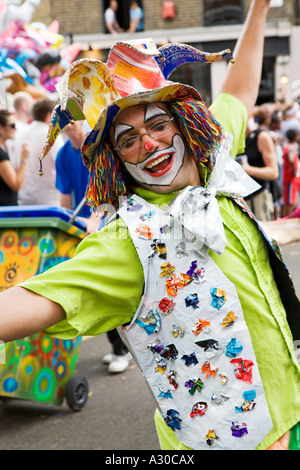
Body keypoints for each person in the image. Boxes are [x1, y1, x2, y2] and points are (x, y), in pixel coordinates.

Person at [1, 0, 300, 451]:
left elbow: (238, 92)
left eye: (158, 124)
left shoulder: (212, 166)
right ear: (117, 162)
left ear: (185, 126)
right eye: (128, 141)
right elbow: (31, 301)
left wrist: (258, 7)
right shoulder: (127, 242)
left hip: (292, 406)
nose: (149, 143)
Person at [56, 119, 132, 372]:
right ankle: (120, 348)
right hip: (87, 228)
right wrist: (64, 224)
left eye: (71, 120)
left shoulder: (98, 145)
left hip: (109, 221)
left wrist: (95, 218)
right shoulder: (63, 155)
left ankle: (123, 350)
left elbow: (109, 187)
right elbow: (65, 195)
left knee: (108, 287)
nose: (67, 125)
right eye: (62, 121)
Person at [15, 98, 64, 206]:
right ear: (49, 116)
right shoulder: (53, 135)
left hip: (24, 197)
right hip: (49, 199)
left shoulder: (20, 134)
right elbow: (62, 165)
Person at [241, 105, 279, 220]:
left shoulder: (261, 136)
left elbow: (273, 172)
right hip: (242, 201)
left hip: (259, 199)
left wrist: (248, 169)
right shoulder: (235, 138)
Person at [0, 110, 30, 206]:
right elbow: (16, 184)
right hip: (5, 211)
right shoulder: (1, 154)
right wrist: (24, 159)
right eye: (12, 126)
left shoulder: (4, 148)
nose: (15, 129)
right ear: (1, 128)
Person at [281, 128, 300, 217]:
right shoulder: (292, 147)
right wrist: (294, 170)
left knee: (288, 201)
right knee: (289, 202)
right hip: (290, 177)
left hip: (287, 176)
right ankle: (287, 219)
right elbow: (291, 159)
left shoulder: (286, 146)